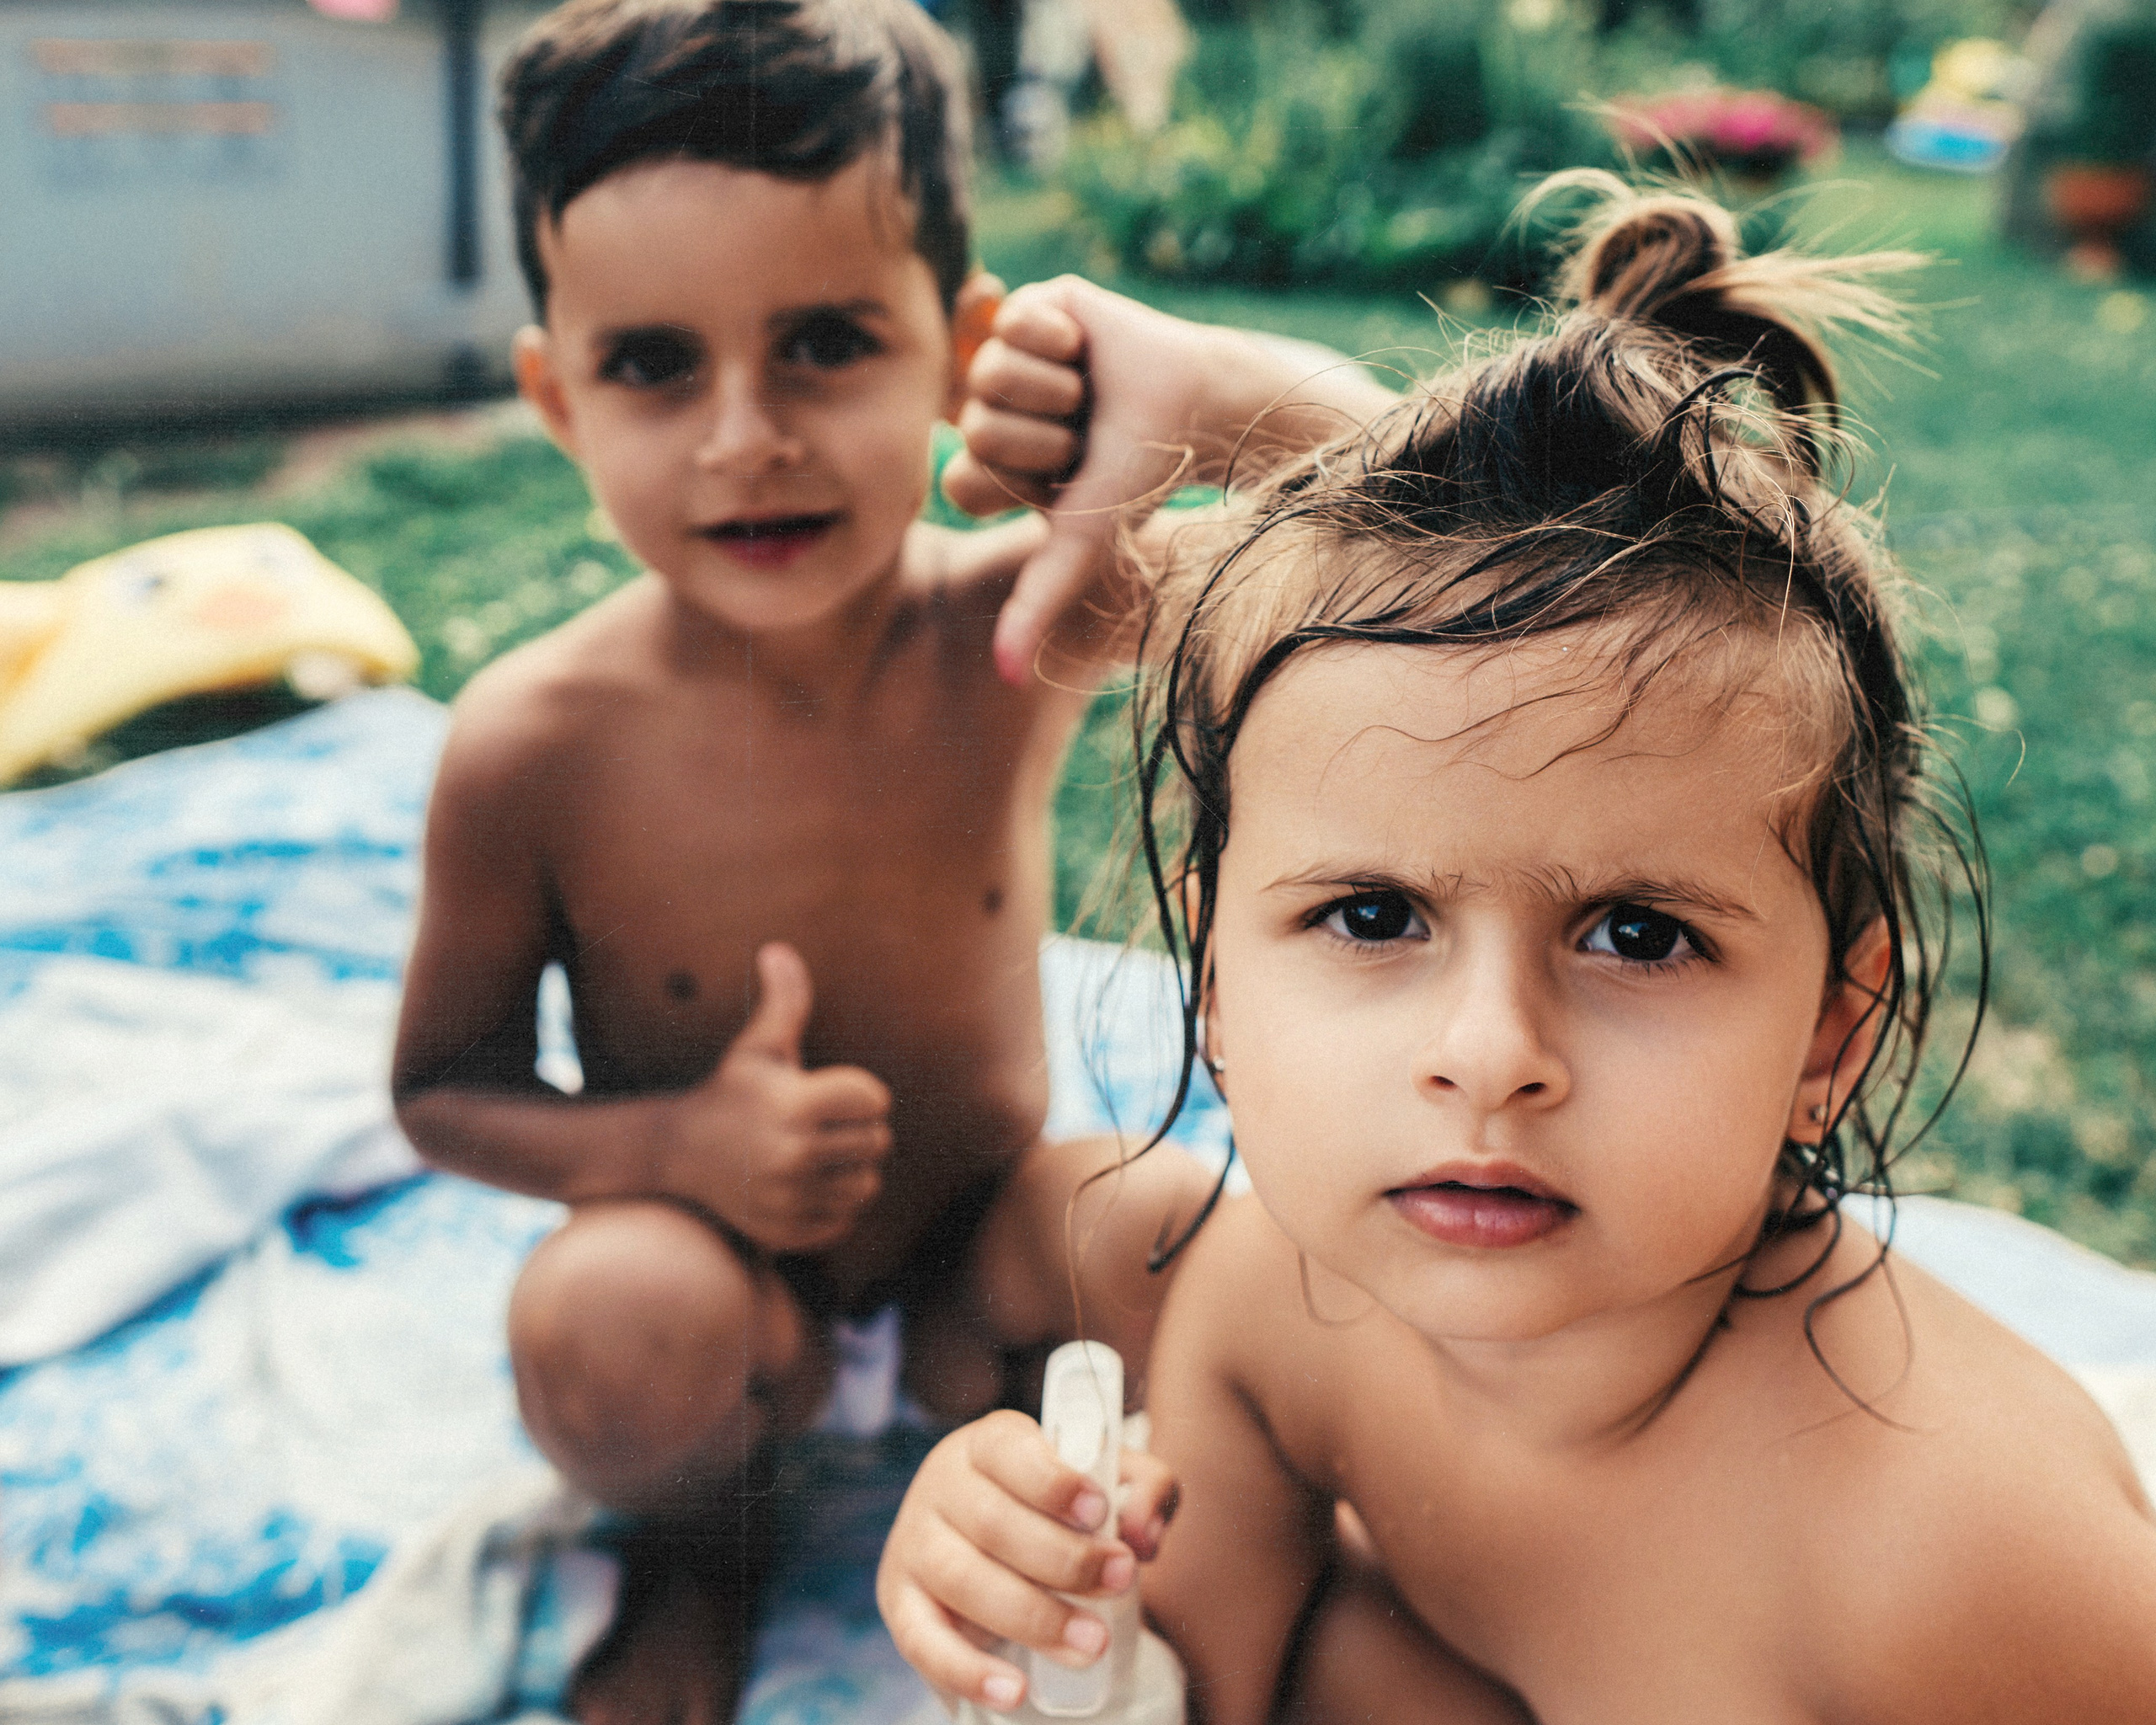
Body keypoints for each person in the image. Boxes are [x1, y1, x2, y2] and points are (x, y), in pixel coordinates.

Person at [877, 178, 2156, 1722]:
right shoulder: (1274, 1300)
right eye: (1371, 917)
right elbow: (1188, 1695)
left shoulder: (1967, 1554)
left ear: (1831, 1033)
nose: (1487, 1053)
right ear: (1211, 984)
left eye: (1638, 935)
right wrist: (1034, 1620)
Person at [385, 1, 1378, 1716]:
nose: (744, 432)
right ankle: (707, 1541)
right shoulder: (530, 741)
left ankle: (1118, 1527)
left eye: (827, 341)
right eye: (652, 364)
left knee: (1170, 1228)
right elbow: (442, 1093)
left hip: (974, 1264)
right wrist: (675, 1143)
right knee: (598, 1324)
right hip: (722, 1282)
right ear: (554, 395)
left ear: (958, 346)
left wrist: (1219, 397)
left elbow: (1400, 529)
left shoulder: (1019, 619)